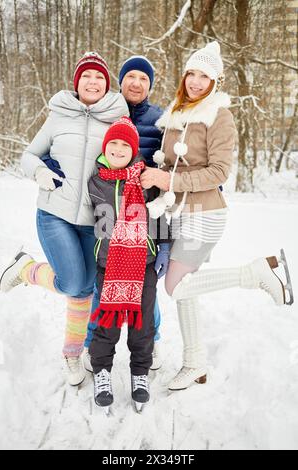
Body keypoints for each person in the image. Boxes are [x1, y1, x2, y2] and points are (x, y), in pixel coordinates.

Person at [140, 41, 293, 391]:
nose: (195, 81)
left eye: (204, 76)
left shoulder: (219, 115)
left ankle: (254, 273)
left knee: (174, 286)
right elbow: (167, 161)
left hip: (205, 212)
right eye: (191, 73)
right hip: (178, 213)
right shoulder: (177, 112)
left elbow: (219, 171)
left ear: (215, 81)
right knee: (186, 289)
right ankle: (195, 364)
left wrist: (170, 180)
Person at [0, 52, 129, 386]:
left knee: (87, 287)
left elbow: (127, 158)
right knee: (73, 283)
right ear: (76, 83)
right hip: (54, 213)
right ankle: (26, 271)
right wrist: (40, 171)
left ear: (106, 84)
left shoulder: (117, 117)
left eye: (99, 77)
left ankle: (74, 351)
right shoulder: (58, 115)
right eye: (86, 76)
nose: (92, 81)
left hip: (94, 218)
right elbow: (27, 155)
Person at [84, 55, 167, 372]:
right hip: (108, 201)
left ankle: (152, 339)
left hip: (144, 209)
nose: (136, 82)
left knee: (147, 287)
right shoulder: (107, 112)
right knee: (102, 283)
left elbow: (172, 164)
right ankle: (96, 342)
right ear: (121, 81)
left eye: (144, 78)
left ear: (150, 85)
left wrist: (163, 240)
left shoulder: (160, 119)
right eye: (130, 76)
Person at [87, 116, 170, 413]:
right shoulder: (95, 179)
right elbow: (93, 220)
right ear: (105, 147)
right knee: (106, 323)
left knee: (143, 323)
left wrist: (164, 247)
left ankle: (139, 373)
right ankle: (102, 372)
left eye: (125, 145)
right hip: (107, 263)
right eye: (114, 144)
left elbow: (159, 215)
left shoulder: (146, 179)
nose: (119, 149)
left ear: (134, 150)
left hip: (143, 263)